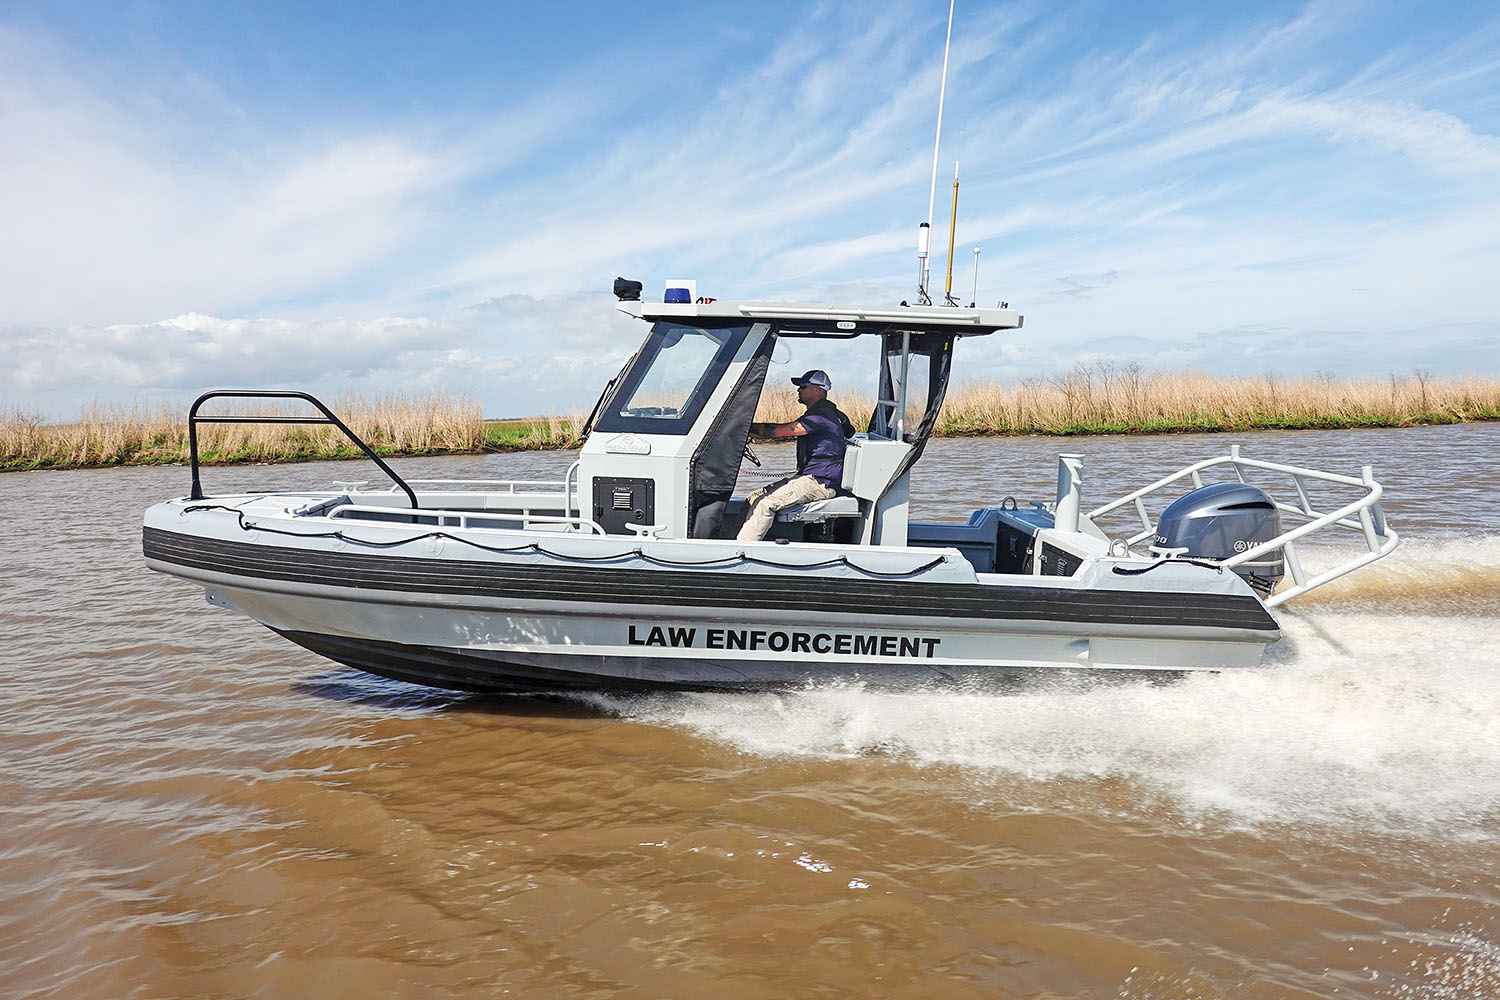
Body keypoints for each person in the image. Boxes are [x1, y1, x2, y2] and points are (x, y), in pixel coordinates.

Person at [736, 369, 857, 541]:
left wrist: (740, 427)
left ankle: (741, 551)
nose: (798, 390)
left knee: (765, 504)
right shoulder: (820, 413)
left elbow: (780, 431)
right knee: (752, 498)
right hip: (810, 477)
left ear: (817, 389)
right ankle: (729, 542)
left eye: (803, 386)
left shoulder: (821, 416)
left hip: (821, 482)